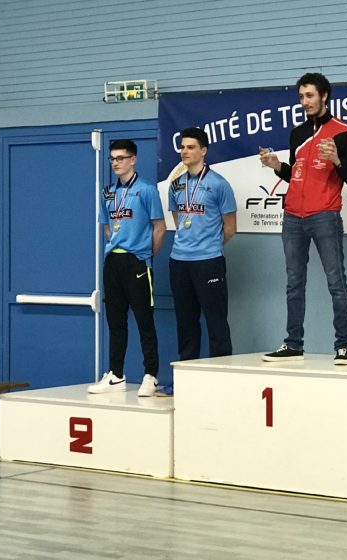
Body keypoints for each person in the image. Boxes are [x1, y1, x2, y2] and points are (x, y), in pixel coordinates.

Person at [260, 72, 347, 365]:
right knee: (294, 283)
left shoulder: (344, 132)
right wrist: (277, 166)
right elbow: (296, 175)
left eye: (310, 96)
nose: (305, 102)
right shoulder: (298, 133)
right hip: (293, 216)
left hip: (324, 216)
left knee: (336, 282)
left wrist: (337, 159)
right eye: (301, 97)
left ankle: (343, 346)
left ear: (324, 96)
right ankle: (293, 344)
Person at [88, 139, 166, 397]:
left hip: (137, 261)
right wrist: (117, 243)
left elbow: (160, 227)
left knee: (144, 321)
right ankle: (116, 375)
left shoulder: (146, 190)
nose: (115, 163)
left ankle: (150, 375)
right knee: (116, 322)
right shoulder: (108, 192)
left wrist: (144, 254)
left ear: (133, 159)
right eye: (112, 158)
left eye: (121, 158)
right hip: (113, 262)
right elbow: (107, 226)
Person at [169, 127, 237, 361]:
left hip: (208, 261)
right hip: (179, 261)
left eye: (191, 147)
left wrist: (208, 245)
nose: (184, 152)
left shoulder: (219, 184)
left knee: (216, 321)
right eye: (182, 147)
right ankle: (188, 373)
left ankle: (222, 374)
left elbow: (230, 227)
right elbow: (178, 221)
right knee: (185, 321)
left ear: (204, 151)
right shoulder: (175, 185)